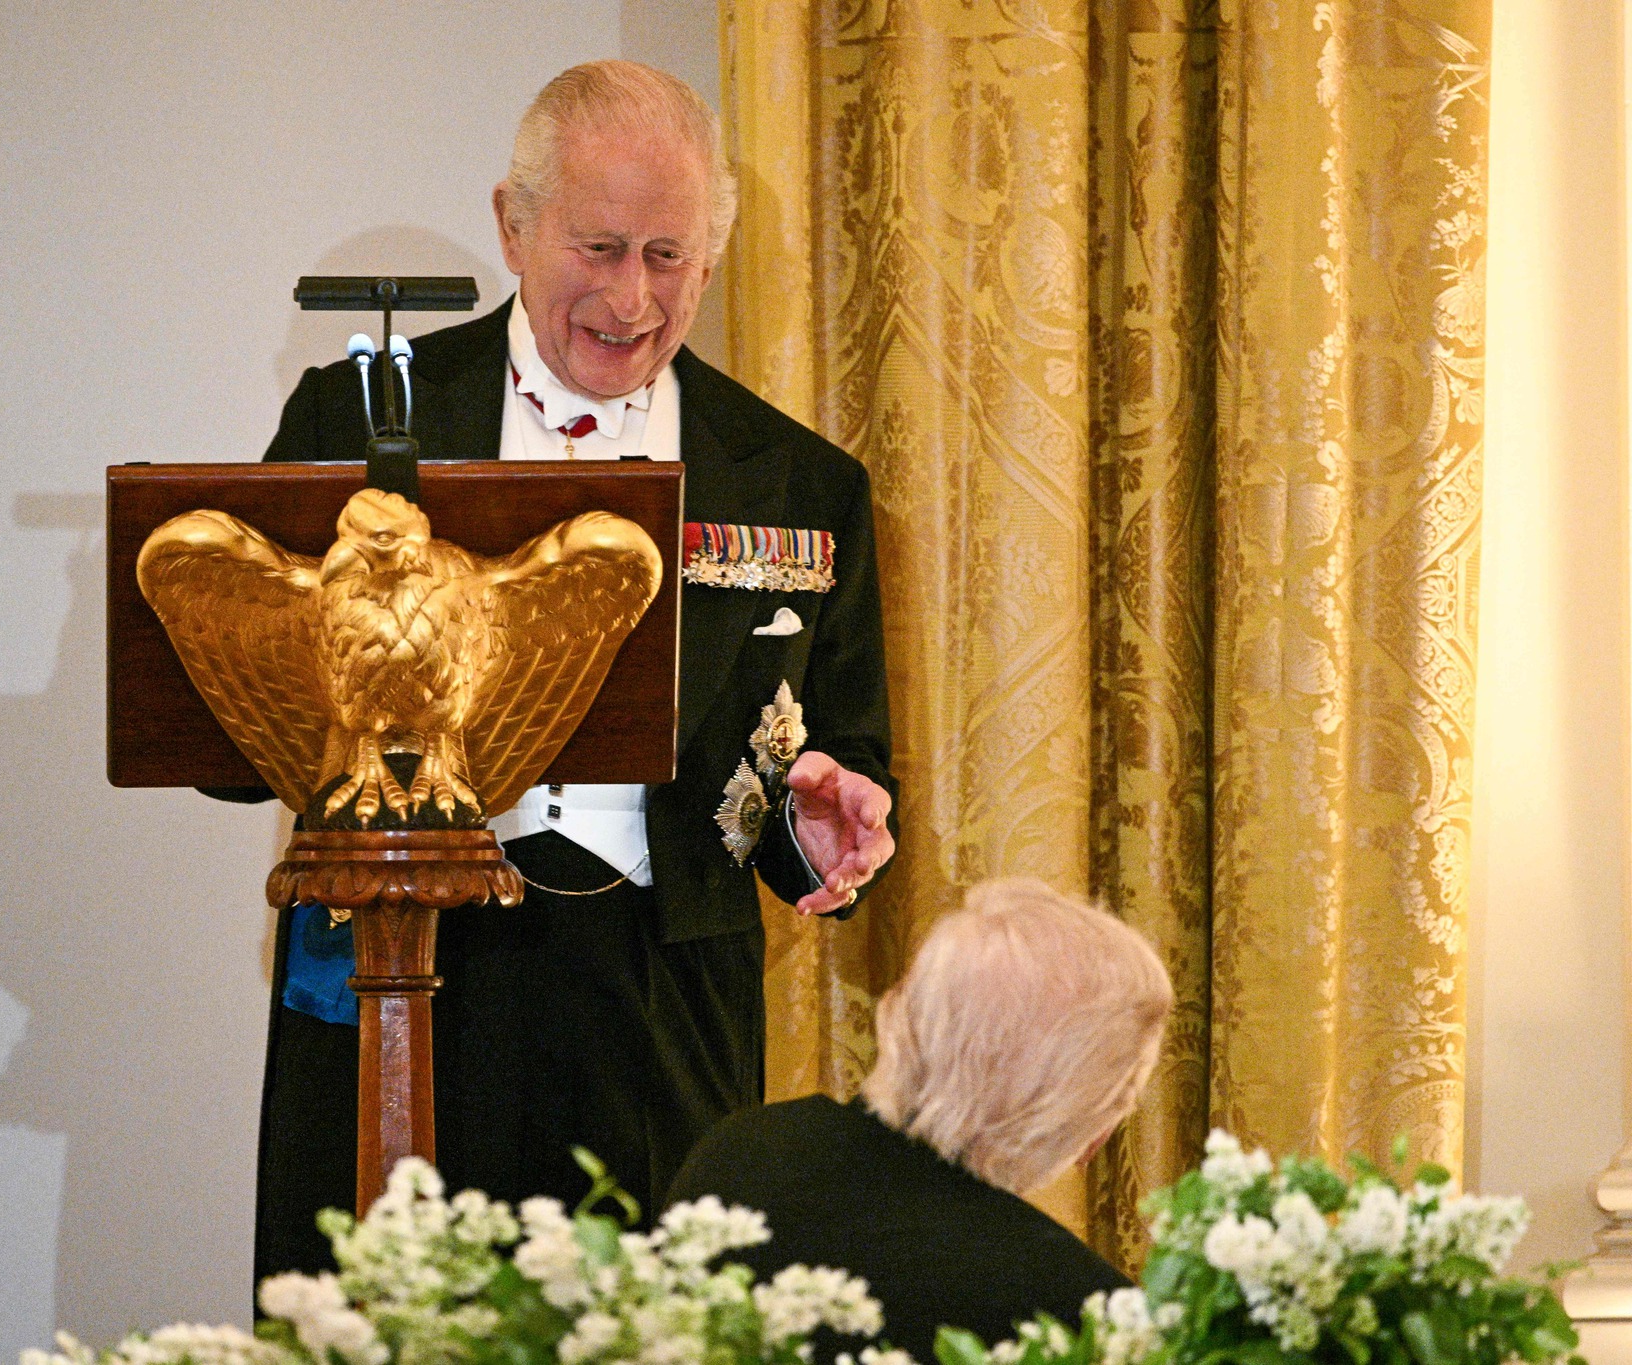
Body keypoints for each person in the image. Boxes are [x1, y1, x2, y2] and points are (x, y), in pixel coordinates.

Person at [235, 60, 899, 1277]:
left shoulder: (798, 482)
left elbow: (833, 760)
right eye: (597, 248)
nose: (630, 296)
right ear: (513, 225)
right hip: (395, 972)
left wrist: (821, 826)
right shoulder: (355, 427)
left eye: (666, 255)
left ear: (709, 257)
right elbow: (234, 737)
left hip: (660, 1002)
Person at [665, 878, 1173, 1359]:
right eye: (1122, 1091)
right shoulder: (1082, 1317)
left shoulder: (741, 1151)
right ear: (1078, 1113)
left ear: (908, 1011)